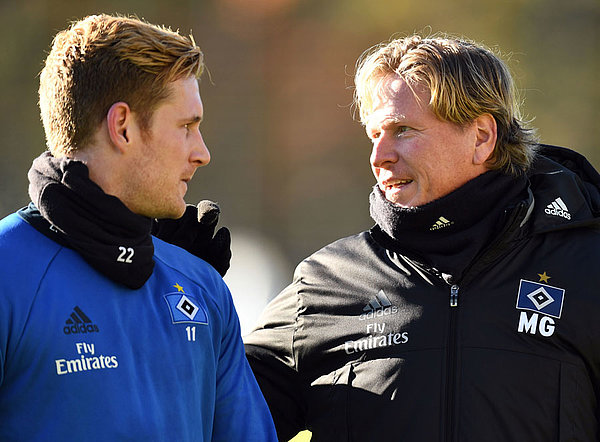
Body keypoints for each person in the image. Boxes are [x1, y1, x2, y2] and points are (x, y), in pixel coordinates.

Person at [244, 34, 600, 441]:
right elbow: (210, 413)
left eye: (402, 130)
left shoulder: (587, 266)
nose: (380, 156)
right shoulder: (326, 282)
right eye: (374, 134)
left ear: (482, 136)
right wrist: (173, 280)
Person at [0, 14, 276, 441]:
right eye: (187, 127)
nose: (202, 153)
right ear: (123, 127)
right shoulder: (7, 273)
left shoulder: (202, 287)